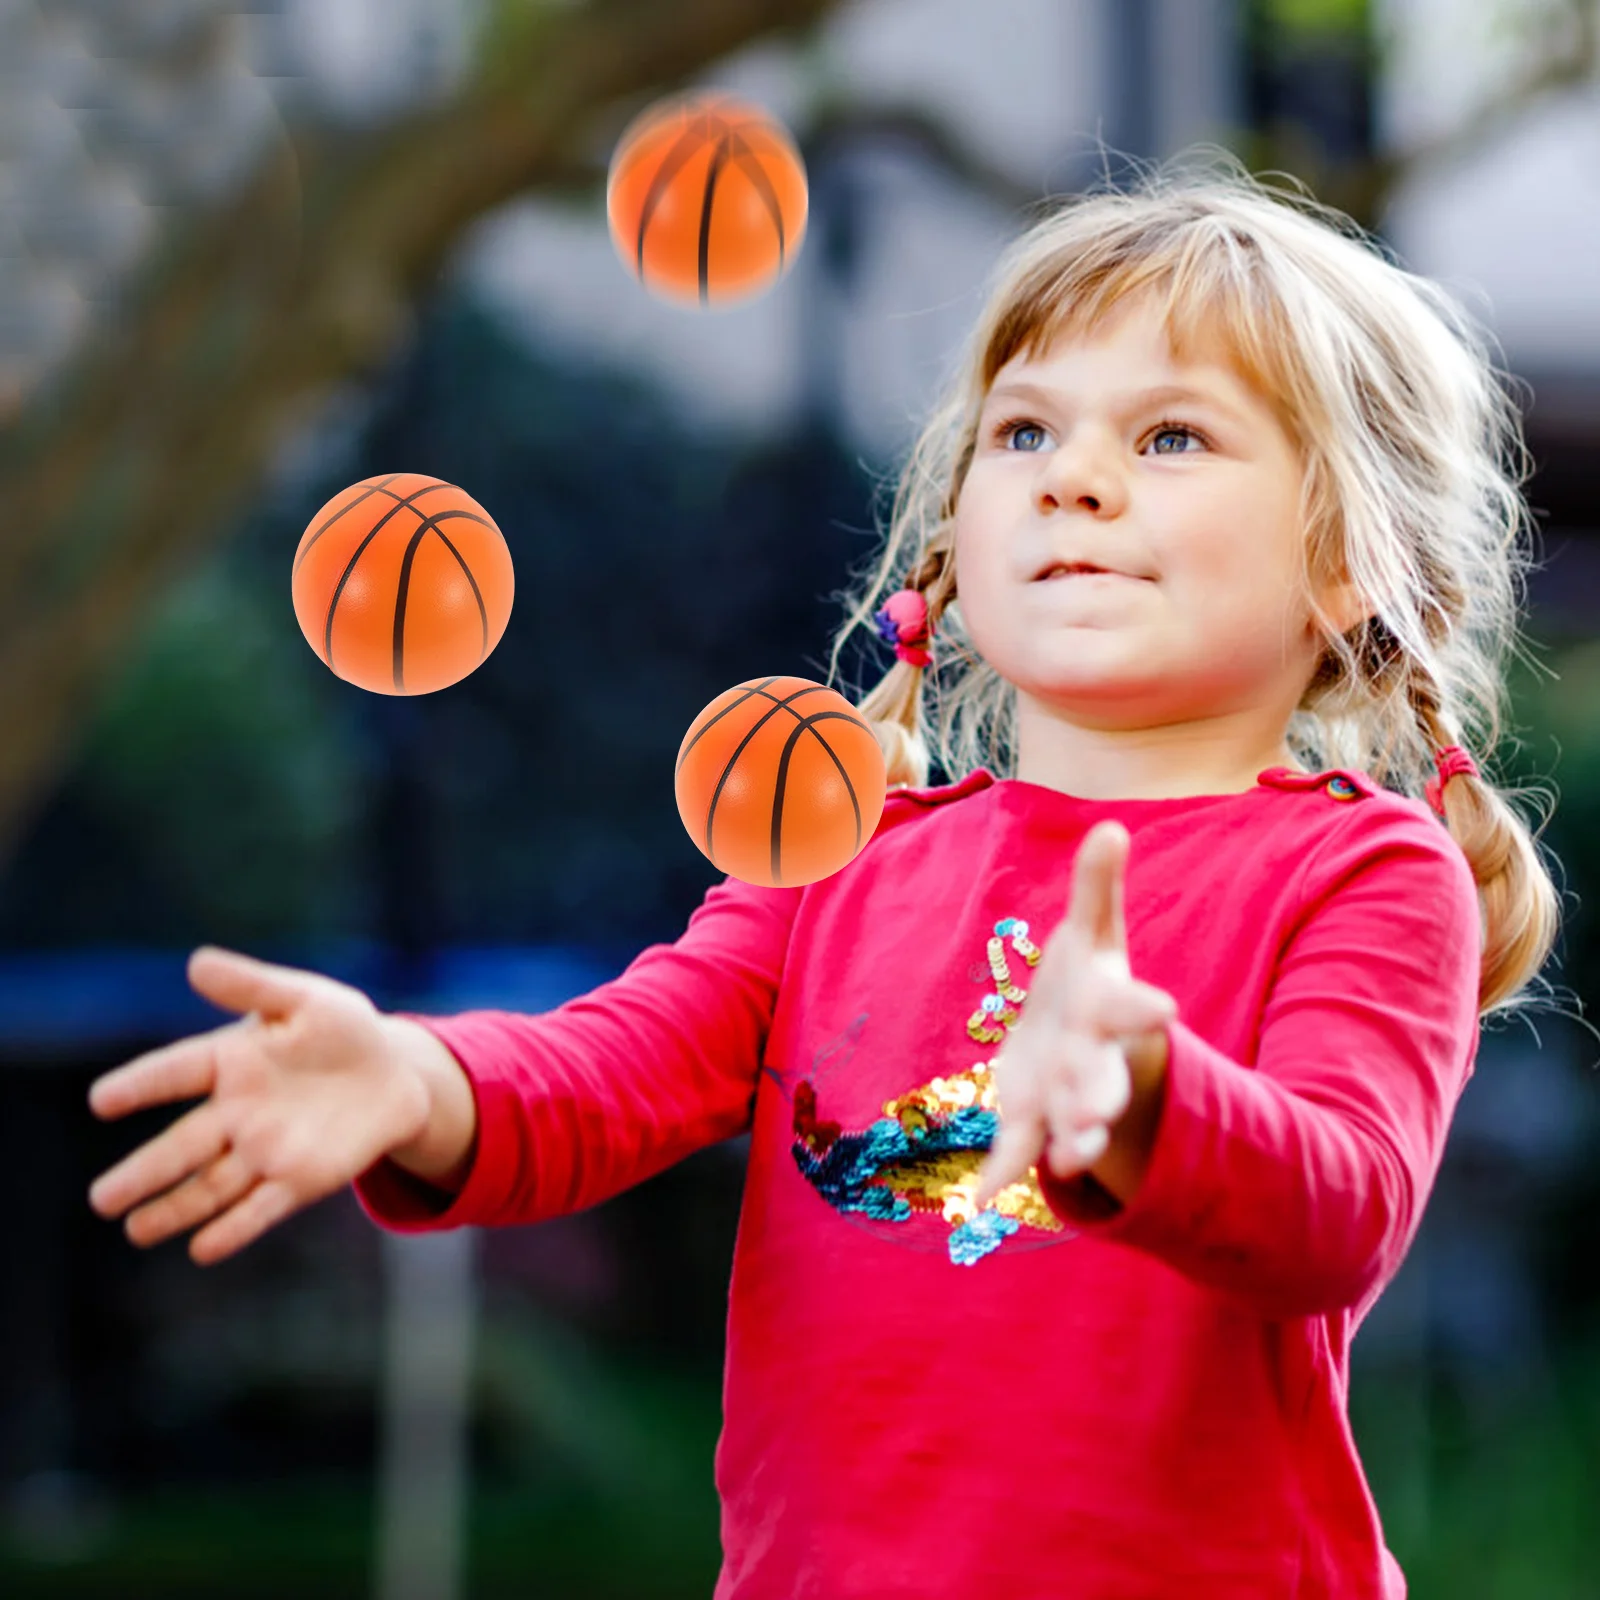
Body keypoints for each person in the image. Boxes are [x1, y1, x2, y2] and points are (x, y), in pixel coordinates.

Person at [87, 148, 1564, 1598]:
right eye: (1025, 433)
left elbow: (1340, 1210)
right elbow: (617, 1068)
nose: (1078, 482)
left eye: (1172, 437)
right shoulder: (835, 845)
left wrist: (1147, 1099)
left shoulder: (1369, 871)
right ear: (955, 535)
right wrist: (422, 1087)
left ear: (1349, 563)